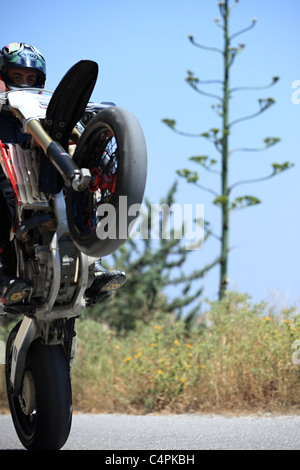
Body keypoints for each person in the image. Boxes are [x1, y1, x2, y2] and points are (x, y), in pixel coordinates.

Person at [0, 42, 126, 307]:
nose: (25, 83)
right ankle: (2, 273)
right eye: (17, 77)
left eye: (31, 78)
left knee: (83, 164)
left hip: (45, 178)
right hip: (9, 183)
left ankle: (95, 266)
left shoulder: (44, 109)